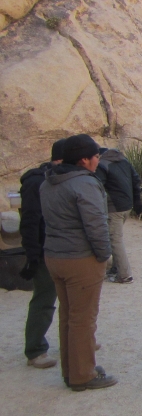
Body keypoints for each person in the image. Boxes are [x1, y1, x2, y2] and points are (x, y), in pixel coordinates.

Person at [40, 134, 117, 391]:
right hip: (80, 259)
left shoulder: (48, 182)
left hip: (54, 255)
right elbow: (96, 224)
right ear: (84, 160)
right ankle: (83, 375)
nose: (98, 160)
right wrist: (105, 255)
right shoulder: (84, 184)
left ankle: (70, 370)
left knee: (68, 315)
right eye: (96, 156)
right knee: (83, 318)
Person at [18, 139, 65, 369]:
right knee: (45, 299)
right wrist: (32, 255)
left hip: (63, 248)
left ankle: (72, 342)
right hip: (45, 249)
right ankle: (35, 349)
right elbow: (29, 221)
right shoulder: (37, 182)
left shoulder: (62, 179)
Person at [95, 147, 142, 284]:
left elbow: (97, 186)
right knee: (116, 237)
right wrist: (137, 202)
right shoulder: (124, 161)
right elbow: (136, 180)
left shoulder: (102, 165)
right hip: (127, 206)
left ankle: (125, 275)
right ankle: (115, 268)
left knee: (115, 239)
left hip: (113, 207)